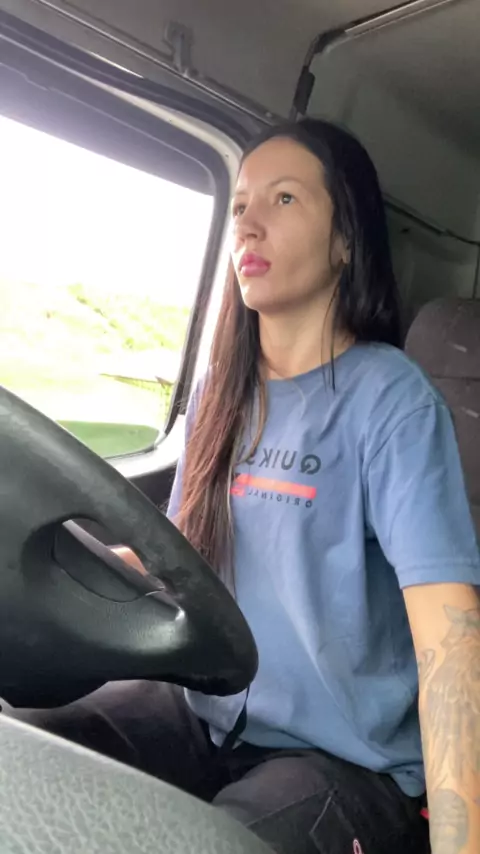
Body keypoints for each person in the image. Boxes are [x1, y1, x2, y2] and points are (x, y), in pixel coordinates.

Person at [12, 119, 480, 854]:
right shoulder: (220, 390)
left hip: (340, 758)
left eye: (285, 199)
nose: (249, 224)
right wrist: (40, 569)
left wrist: (461, 839)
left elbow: (450, 636)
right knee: (25, 757)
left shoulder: (392, 400)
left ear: (345, 240)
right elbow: (182, 562)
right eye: (239, 205)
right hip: (206, 708)